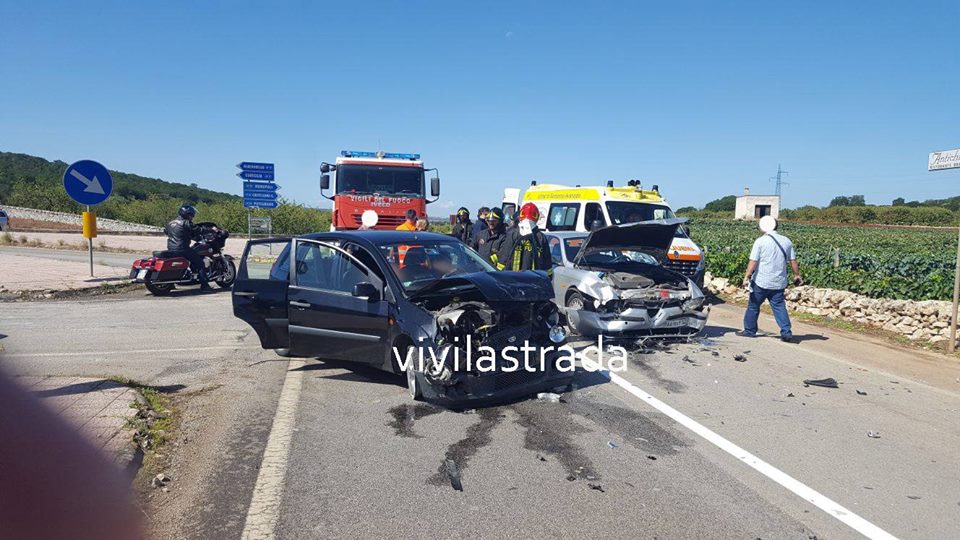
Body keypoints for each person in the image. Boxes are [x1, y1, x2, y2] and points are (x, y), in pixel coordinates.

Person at [739, 216, 803, 343]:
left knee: (753, 306)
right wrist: (797, 275)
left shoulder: (760, 241)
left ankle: (750, 331)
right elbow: (793, 260)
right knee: (779, 307)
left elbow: (753, 261)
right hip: (779, 282)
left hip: (761, 281)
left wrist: (747, 276)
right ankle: (786, 332)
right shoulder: (786, 241)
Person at [165, 204, 211, 291]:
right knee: (200, 263)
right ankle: (205, 285)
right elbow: (197, 229)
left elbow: (167, 232)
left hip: (171, 249)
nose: (192, 217)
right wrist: (208, 229)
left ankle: (170, 284)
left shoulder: (170, 223)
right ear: (187, 215)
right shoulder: (186, 222)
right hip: (182, 249)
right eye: (191, 215)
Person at [497, 202, 553, 275]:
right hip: (532, 281)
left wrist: (500, 277)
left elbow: (503, 260)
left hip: (513, 280)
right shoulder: (541, 238)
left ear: (520, 216)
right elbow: (547, 264)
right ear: (537, 217)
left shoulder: (512, 235)